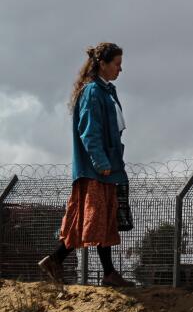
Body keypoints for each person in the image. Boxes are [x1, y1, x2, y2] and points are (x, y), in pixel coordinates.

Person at [39, 42, 134, 287]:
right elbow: (90, 132)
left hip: (107, 167)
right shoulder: (93, 92)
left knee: (97, 219)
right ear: (102, 64)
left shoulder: (106, 91)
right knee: (96, 218)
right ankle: (106, 272)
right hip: (96, 169)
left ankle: (59, 261)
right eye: (116, 64)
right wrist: (100, 161)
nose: (120, 70)